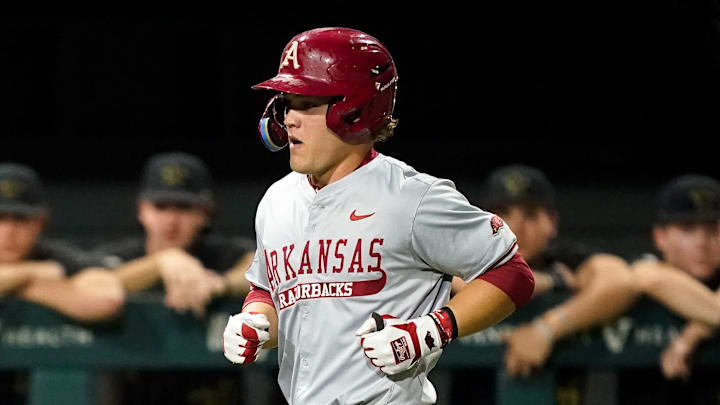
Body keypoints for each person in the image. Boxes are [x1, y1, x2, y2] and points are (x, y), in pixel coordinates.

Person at [222, 27, 535, 405]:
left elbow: (512, 273)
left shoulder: (413, 198)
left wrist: (432, 330)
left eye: (306, 103)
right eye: (286, 103)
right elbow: (269, 291)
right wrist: (255, 323)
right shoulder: (277, 199)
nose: (289, 119)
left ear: (355, 108)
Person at [461, 165, 637, 379]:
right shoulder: (457, 257)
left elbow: (621, 282)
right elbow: (463, 283)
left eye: (531, 214)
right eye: (503, 213)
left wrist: (545, 330)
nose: (516, 226)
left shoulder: (565, 260)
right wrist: (552, 281)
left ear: (552, 222)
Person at [94, 151, 256, 317]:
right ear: (142, 211)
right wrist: (161, 263)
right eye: (160, 207)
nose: (171, 220)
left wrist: (221, 284)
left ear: (206, 214)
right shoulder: (120, 255)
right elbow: (90, 286)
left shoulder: (223, 255)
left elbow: (262, 269)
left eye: (183, 208)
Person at [618, 174, 720, 405]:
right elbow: (647, 276)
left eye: (713, 229)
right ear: (660, 236)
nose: (702, 242)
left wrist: (693, 333)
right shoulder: (647, 267)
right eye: (688, 228)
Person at [0, 162, 125, 321]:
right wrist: (29, 273)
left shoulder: (55, 260)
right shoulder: (41, 270)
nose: (9, 231)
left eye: (20, 219)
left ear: (40, 223)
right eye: (0, 218)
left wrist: (22, 283)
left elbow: (105, 301)